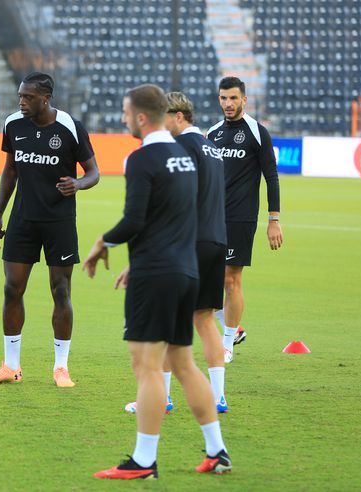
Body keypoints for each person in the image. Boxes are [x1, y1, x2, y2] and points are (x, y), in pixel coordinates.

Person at [85, 84, 231, 480]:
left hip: (158, 274)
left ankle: (143, 460)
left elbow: (134, 220)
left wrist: (102, 242)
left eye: (125, 112)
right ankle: (217, 450)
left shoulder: (143, 158)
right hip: (186, 271)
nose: (122, 119)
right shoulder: (184, 156)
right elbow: (179, 217)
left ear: (142, 117)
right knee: (183, 363)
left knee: (147, 367)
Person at [0, 72, 100, 387]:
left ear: (45, 98)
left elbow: (94, 172)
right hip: (22, 220)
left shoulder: (70, 127)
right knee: (11, 288)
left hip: (59, 222)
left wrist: (79, 184)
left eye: (28, 97)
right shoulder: (13, 124)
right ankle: (10, 366)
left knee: (61, 290)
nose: (21, 101)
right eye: (20, 95)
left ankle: (61, 367)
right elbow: (11, 169)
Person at [122, 91, 229, 415]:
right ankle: (218, 396)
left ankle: (161, 396)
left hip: (188, 243)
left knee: (167, 322)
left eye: (165, 118)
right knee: (205, 319)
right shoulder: (212, 147)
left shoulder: (180, 147)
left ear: (178, 116)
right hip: (217, 240)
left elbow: (177, 203)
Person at [207, 76, 283, 363]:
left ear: (244, 100)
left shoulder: (257, 132)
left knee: (230, 279)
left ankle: (226, 344)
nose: (228, 103)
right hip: (210, 217)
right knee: (199, 279)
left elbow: (271, 177)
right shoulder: (212, 133)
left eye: (233, 98)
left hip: (240, 217)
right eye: (224, 98)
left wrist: (273, 219)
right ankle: (234, 328)